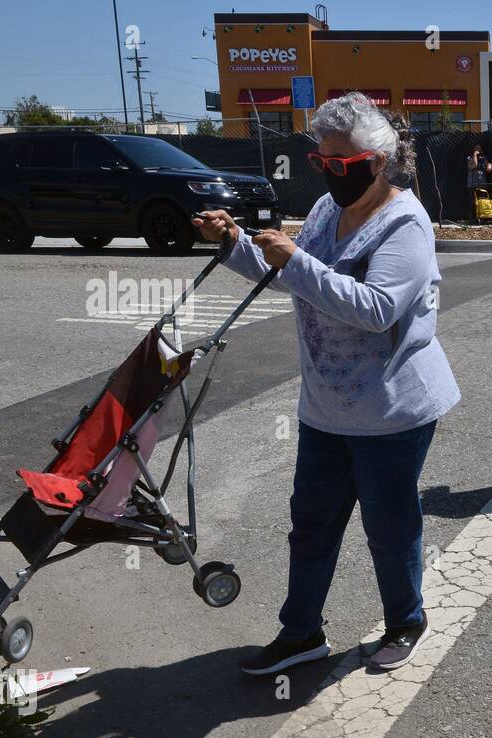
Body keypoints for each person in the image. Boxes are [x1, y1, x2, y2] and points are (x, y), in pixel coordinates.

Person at [194, 93, 460, 675]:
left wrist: (296, 262)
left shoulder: (406, 223)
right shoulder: (322, 211)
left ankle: (405, 621)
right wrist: (234, 242)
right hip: (325, 407)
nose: (332, 173)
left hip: (392, 410)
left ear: (378, 161)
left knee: (389, 528)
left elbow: (376, 309)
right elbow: (287, 272)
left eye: (344, 164)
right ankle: (301, 633)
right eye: (323, 162)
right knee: (310, 524)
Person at [466, 144, 492, 222]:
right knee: (472, 201)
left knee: (482, 200)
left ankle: (483, 217)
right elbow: (474, 165)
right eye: (476, 148)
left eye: (479, 148)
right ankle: (472, 218)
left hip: (482, 183)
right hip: (472, 183)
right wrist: (475, 155)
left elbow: (489, 168)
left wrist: (489, 165)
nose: (477, 150)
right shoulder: (470, 157)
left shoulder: (484, 158)